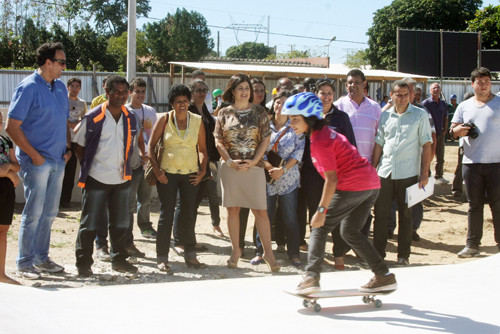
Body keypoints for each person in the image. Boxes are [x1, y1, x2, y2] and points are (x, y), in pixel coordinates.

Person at [284, 93, 397, 294]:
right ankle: (384, 276)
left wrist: (321, 210)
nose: (290, 123)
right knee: (350, 232)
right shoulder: (325, 133)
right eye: (289, 119)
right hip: (370, 184)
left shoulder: (320, 141)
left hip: (355, 185)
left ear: (309, 118)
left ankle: (311, 277)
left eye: (295, 119)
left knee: (319, 226)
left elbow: (332, 180)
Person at [6, 42, 71, 280]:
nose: (65, 66)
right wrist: (33, 155)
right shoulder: (28, 87)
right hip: (37, 163)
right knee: (33, 213)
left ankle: (41, 259)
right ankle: (24, 263)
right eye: (61, 62)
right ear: (48, 62)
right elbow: (11, 126)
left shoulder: (61, 88)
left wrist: (68, 147)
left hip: (57, 160)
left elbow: (64, 120)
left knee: (50, 213)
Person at [73, 75, 139, 277]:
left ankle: (119, 260)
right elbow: (78, 144)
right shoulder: (93, 117)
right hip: (97, 179)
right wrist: (90, 166)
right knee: (89, 223)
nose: (120, 96)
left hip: (121, 178)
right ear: (107, 92)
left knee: (120, 223)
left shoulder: (130, 117)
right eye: (116, 92)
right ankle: (84, 264)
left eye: (124, 92)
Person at [214, 73, 279, 271]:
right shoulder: (223, 113)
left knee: (261, 211)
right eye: (240, 87)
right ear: (232, 90)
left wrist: (254, 162)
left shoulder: (260, 112)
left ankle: (268, 252)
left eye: (247, 88)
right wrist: (230, 161)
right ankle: (236, 250)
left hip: (255, 168)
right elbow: (218, 140)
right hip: (231, 168)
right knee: (233, 209)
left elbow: (265, 140)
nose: (244, 91)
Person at [372, 80, 433, 266]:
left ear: (411, 95)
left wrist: (424, 174)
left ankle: (403, 256)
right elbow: (379, 143)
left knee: (406, 216)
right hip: (385, 172)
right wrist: (372, 169)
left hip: (408, 174)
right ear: (391, 96)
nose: (402, 98)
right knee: (381, 215)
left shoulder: (419, 115)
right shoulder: (385, 116)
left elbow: (427, 145)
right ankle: (378, 254)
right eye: (398, 94)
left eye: (406, 94)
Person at [148, 84, 207, 273]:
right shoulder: (164, 119)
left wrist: (202, 170)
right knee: (166, 215)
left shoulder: (197, 120)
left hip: (190, 173)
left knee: (189, 214)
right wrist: (157, 171)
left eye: (185, 100)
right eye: (178, 101)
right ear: (172, 103)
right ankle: (162, 258)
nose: (182, 104)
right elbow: (151, 147)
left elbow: (203, 150)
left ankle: (190, 255)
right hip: (167, 174)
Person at [450, 67, 500, 257]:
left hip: (497, 163)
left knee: (498, 205)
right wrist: (457, 131)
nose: (484, 85)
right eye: (479, 82)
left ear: (491, 83)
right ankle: (472, 245)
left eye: (487, 81)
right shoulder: (464, 106)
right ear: (473, 84)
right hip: (471, 163)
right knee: (474, 205)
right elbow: (452, 130)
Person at [252, 90, 304, 267]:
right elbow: (258, 148)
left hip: (288, 179)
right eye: (277, 102)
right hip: (267, 179)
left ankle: (294, 254)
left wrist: (282, 169)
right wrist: (268, 167)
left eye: (284, 103)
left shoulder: (296, 125)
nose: (279, 106)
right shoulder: (265, 125)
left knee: (290, 217)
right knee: (264, 216)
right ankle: (260, 252)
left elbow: (298, 152)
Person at [334, 69, 381, 238]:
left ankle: (360, 243)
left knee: (364, 209)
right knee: (344, 207)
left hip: (367, 167)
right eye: (350, 83)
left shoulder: (375, 108)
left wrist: (374, 165)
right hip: (344, 168)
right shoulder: (338, 106)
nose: (353, 86)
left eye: (357, 82)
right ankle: (343, 246)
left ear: (364, 84)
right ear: (346, 85)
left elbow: (379, 139)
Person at [238, 78, 269, 255]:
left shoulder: (268, 113)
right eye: (255, 90)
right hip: (245, 165)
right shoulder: (242, 113)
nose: (258, 93)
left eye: (261, 91)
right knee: (241, 209)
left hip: (263, 168)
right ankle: (239, 246)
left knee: (261, 210)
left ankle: (260, 248)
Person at [125, 78, 158, 239]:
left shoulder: (150, 111)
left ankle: (145, 226)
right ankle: (126, 230)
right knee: (129, 200)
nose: (140, 94)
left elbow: (156, 135)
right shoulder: (125, 110)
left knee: (146, 198)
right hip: (131, 162)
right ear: (130, 92)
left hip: (148, 161)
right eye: (137, 91)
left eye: (143, 91)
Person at [0, 112, 21, 285]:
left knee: (3, 231)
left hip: (5, 189)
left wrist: (7, 168)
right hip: (6, 182)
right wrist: (9, 173)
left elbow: (16, 165)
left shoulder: (5, 142)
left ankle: (1, 273)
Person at [60, 77, 87, 208]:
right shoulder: (62, 101)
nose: (75, 89)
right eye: (72, 86)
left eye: (77, 86)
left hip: (76, 140)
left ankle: (65, 200)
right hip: (61, 139)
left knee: (71, 172)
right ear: (68, 87)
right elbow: (59, 117)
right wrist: (69, 124)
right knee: (59, 170)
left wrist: (76, 126)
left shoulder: (82, 103)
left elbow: (84, 119)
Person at [422, 83, 448, 184]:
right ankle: (427, 174)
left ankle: (439, 175)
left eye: (438, 88)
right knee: (427, 155)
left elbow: (446, 117)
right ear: (430, 91)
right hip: (428, 134)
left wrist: (445, 130)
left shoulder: (443, 103)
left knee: (440, 155)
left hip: (440, 133)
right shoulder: (425, 104)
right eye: (434, 88)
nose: (436, 89)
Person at [451, 92, 474, 197]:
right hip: (464, 143)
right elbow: (454, 128)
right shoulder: (463, 109)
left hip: (473, 144)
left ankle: (457, 189)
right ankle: (456, 188)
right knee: (461, 167)